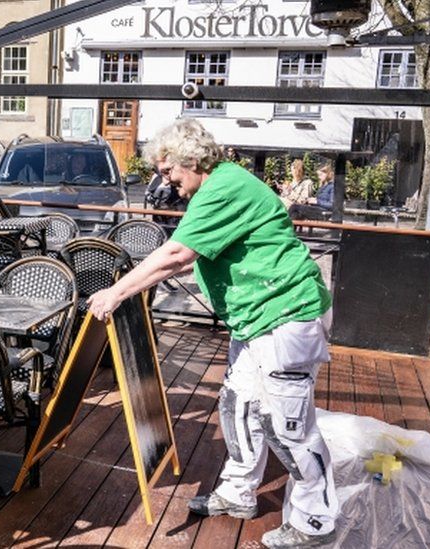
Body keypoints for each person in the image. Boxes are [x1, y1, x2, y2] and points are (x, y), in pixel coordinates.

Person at [87, 119, 338, 549]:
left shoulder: (223, 187)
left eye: (169, 172)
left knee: (288, 425)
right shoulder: (219, 187)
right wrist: (137, 282)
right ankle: (238, 493)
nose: (166, 182)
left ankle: (317, 521)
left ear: (192, 160)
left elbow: (176, 254)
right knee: (239, 407)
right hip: (254, 318)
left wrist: (116, 293)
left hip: (284, 315)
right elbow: (194, 258)